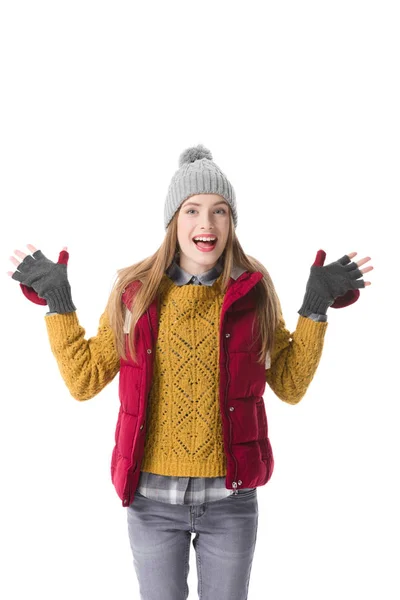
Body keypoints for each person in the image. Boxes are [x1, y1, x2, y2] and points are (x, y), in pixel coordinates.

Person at [8, 144, 373, 600]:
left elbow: (290, 385)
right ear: (172, 222)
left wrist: (315, 309)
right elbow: (84, 381)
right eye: (193, 210)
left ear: (231, 223)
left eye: (220, 212)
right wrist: (59, 304)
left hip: (231, 502)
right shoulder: (134, 292)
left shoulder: (253, 292)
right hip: (151, 503)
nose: (207, 224)